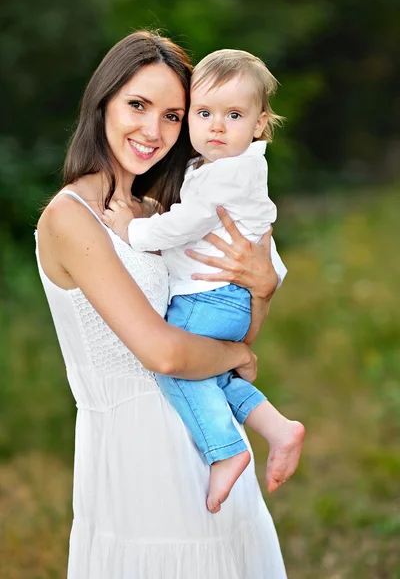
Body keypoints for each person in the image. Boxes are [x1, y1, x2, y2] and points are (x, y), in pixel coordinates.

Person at [36, 30, 289, 578]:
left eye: (174, 115)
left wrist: (262, 289)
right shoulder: (69, 218)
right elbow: (167, 354)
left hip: (210, 438)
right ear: (102, 100)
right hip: (137, 460)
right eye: (138, 105)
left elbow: (236, 333)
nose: (153, 130)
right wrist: (235, 362)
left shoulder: (162, 209)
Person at [102, 48, 305, 514]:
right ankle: (277, 426)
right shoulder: (221, 169)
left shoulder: (227, 174)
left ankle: (226, 450)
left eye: (233, 114)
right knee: (213, 376)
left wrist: (130, 230)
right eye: (204, 112)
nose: (216, 126)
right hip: (227, 301)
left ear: (259, 124)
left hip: (206, 299)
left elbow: (183, 225)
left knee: (177, 366)